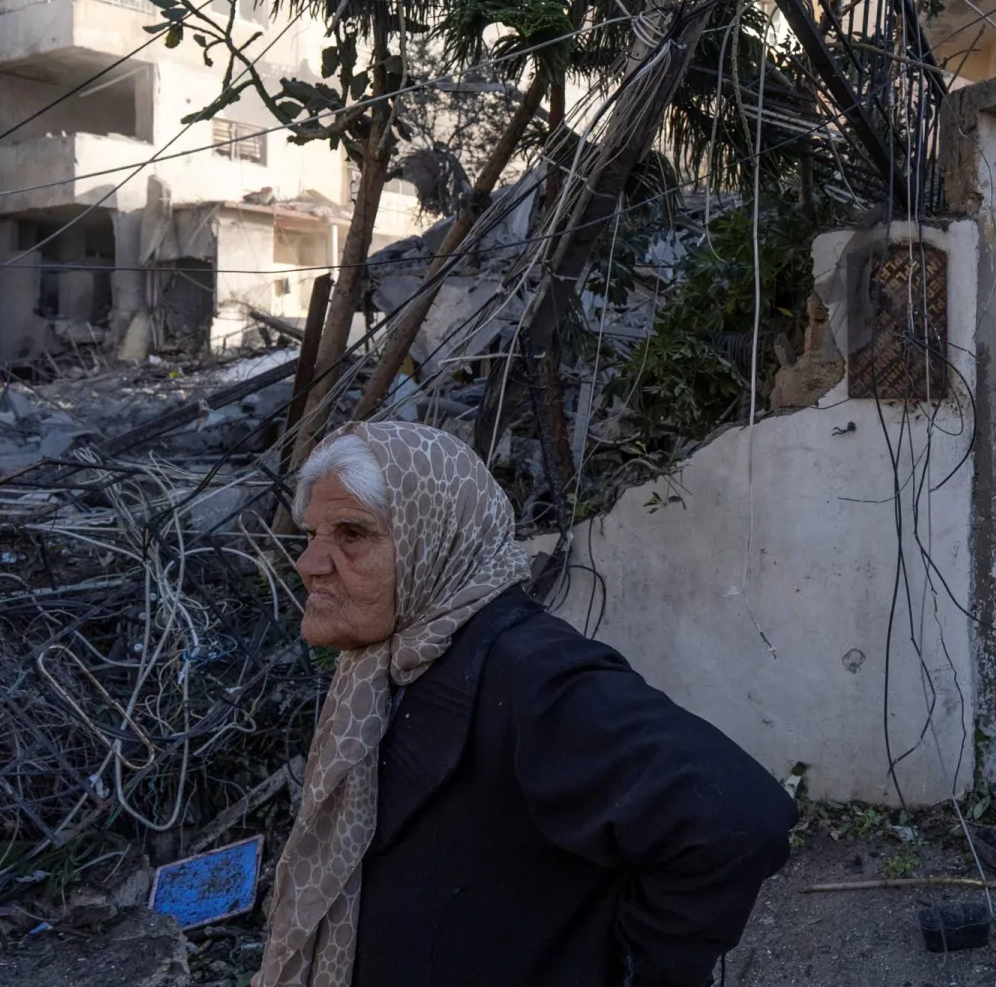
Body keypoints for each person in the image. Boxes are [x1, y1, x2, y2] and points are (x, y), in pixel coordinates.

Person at [257, 421, 797, 987]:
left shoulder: (533, 673)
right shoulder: (391, 661)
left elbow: (736, 819)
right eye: (313, 535)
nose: (310, 564)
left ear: (435, 537)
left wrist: (640, 973)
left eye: (351, 535)